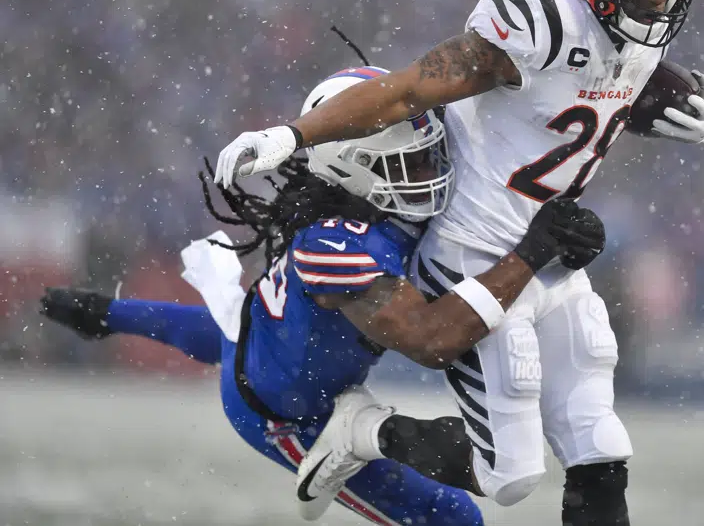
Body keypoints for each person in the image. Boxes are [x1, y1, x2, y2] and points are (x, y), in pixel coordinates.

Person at [214, 0, 704, 526]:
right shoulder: (541, 13)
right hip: (476, 255)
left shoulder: (637, 28)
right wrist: (292, 135)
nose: (659, 0)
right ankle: (362, 434)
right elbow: (409, 91)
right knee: (509, 476)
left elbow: (576, 100)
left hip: (551, 253)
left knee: (600, 445)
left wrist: (646, 102)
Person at [41, 67, 607, 524]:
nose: (431, 173)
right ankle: (362, 431)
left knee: (241, 338)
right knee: (454, 515)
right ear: (351, 168)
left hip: (270, 353)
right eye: (411, 162)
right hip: (284, 417)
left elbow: (229, 333)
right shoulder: (333, 247)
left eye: (432, 155)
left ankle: (368, 427)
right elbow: (433, 340)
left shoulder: (382, 212)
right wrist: (531, 254)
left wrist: (559, 240)